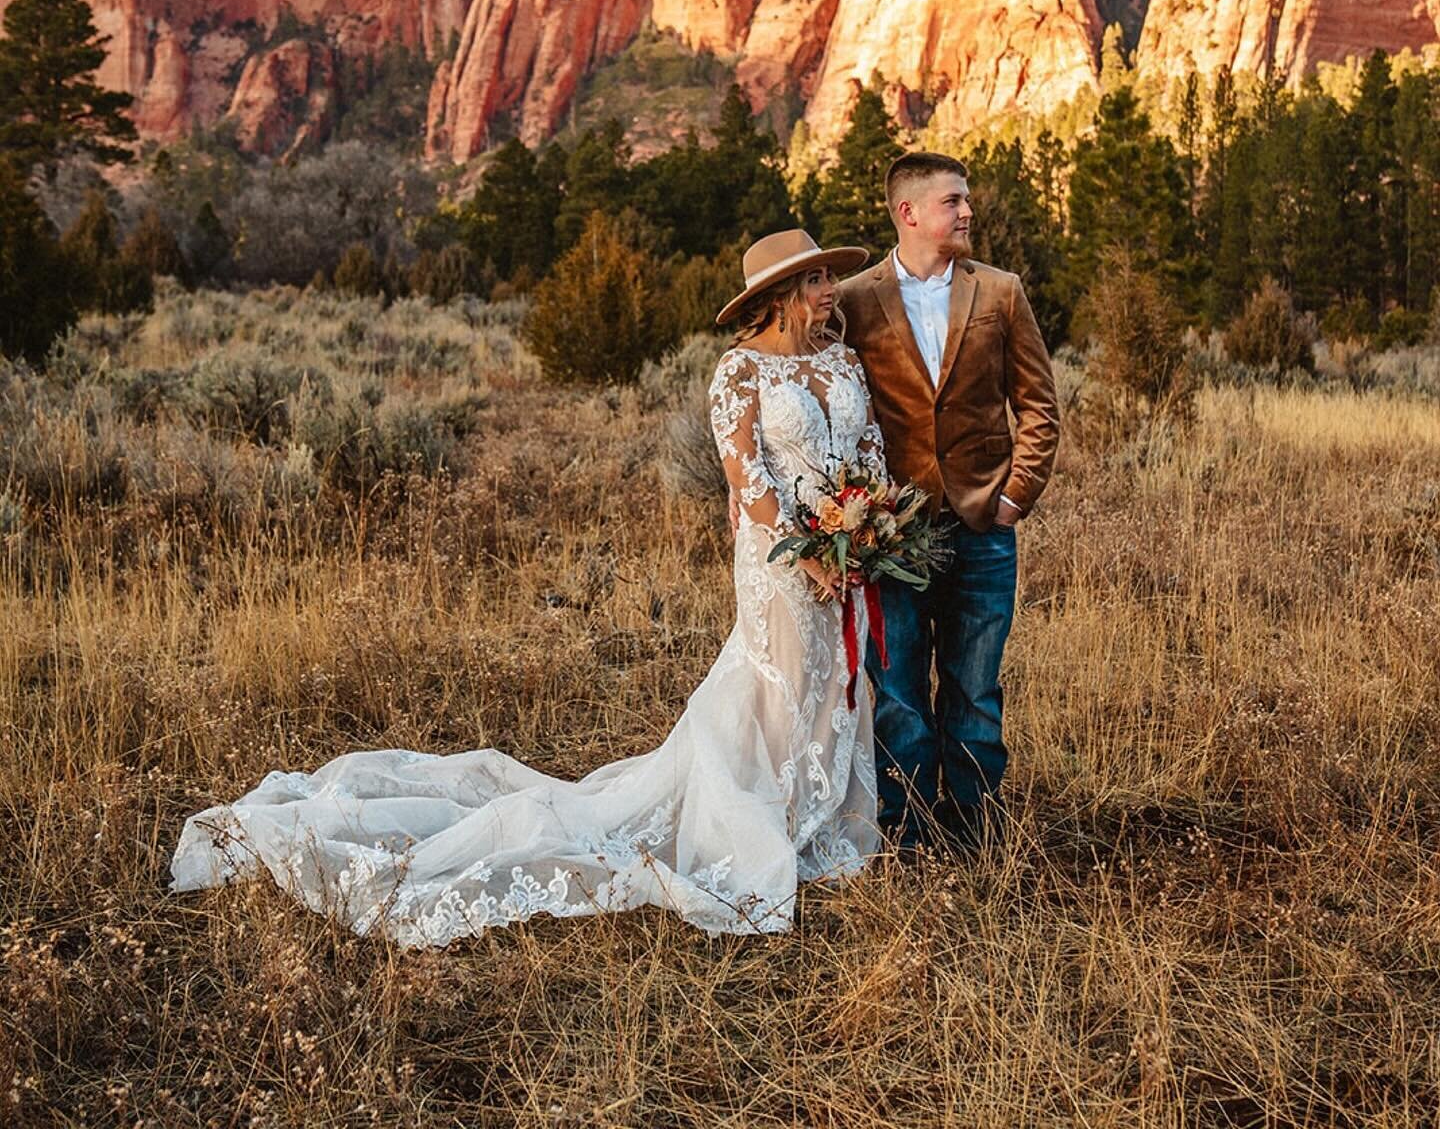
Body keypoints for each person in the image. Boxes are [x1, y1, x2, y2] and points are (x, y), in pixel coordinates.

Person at [169, 229, 888, 945]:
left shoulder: (843, 360)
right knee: (781, 682)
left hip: (846, 552)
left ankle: (818, 824)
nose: (831, 291)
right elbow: (746, 476)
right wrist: (808, 555)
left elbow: (868, 450)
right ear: (782, 295)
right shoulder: (739, 371)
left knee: (838, 686)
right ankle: (761, 825)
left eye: (829, 277)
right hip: (780, 559)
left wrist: (867, 529)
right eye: (818, 280)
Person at [836, 151, 1059, 853]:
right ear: (909, 213)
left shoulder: (1001, 292)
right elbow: (835, 407)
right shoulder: (853, 299)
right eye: (953, 202)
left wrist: (1014, 500)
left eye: (966, 201)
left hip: (982, 530)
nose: (968, 213)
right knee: (898, 694)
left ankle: (973, 829)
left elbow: (1039, 405)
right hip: (893, 537)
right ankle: (903, 829)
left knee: (974, 691)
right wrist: (857, 512)